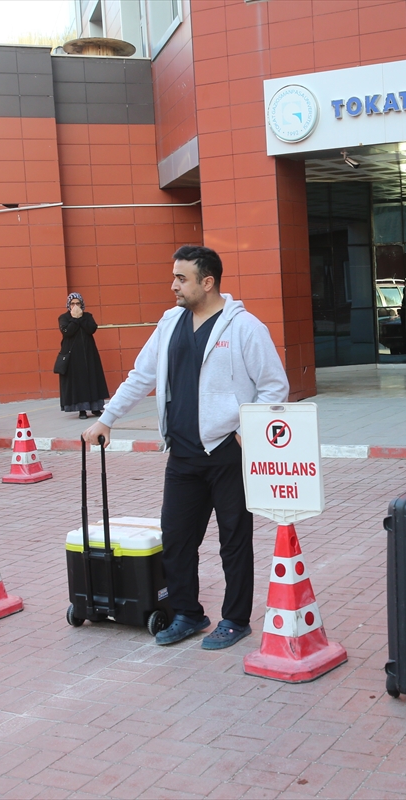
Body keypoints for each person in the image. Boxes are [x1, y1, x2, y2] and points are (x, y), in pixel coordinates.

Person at [82, 245, 289, 649]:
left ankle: (235, 619)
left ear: (207, 282)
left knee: (234, 541)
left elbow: (274, 386)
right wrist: (107, 418)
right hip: (181, 454)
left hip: (227, 453)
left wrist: (248, 430)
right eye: (174, 276)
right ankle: (187, 614)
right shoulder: (170, 323)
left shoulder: (244, 328)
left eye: (181, 278)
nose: (173, 285)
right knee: (177, 540)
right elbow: (141, 376)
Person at [57, 293, 109, 419]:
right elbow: (67, 332)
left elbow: (91, 329)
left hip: (89, 354)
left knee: (93, 379)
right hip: (73, 357)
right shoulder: (63, 317)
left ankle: (96, 408)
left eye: (78, 303)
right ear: (68, 305)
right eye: (72, 303)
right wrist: (75, 319)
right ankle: (82, 410)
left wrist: (81, 318)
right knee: (78, 382)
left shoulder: (88, 316)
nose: (75, 306)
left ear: (82, 304)